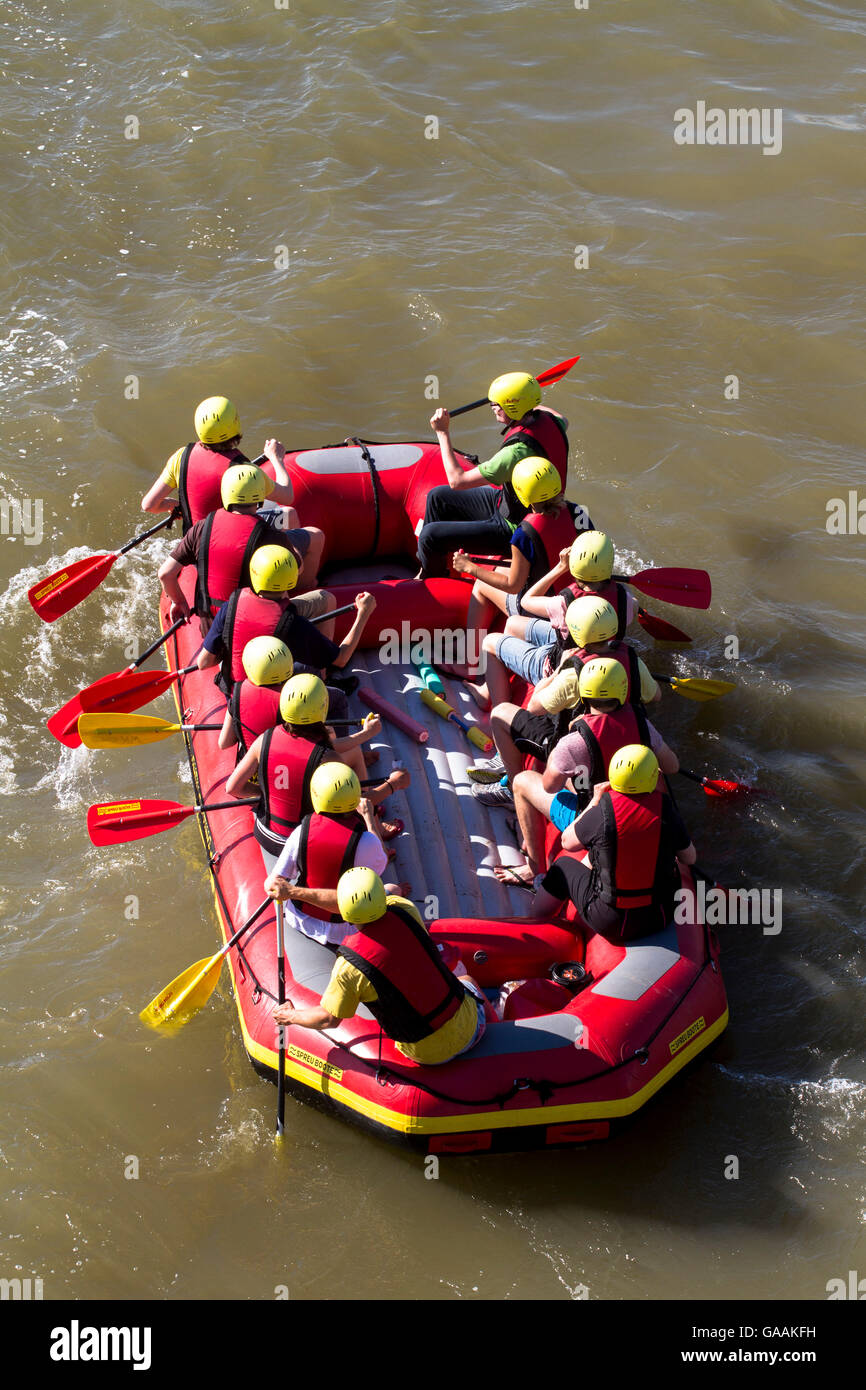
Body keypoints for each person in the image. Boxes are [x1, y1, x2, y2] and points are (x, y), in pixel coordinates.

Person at [272, 869, 489, 1066]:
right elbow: (380, 897)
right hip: (471, 1028)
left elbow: (328, 1019)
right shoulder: (406, 910)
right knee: (466, 979)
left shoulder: (348, 966)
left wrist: (290, 1016)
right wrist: (292, 892)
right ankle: (495, 1020)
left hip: (426, 1053)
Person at [496, 657, 680, 883]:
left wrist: (564, 748)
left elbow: (549, 786)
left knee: (522, 782)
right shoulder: (643, 725)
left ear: (583, 694)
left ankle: (533, 868)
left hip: (594, 816)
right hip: (635, 807)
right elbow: (672, 766)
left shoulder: (574, 741)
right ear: (622, 691)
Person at [470, 595, 660, 808]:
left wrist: (557, 671)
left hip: (576, 742)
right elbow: (655, 696)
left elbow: (534, 707)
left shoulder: (574, 672)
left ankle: (513, 790)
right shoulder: (634, 662)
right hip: (619, 734)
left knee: (500, 713)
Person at [142, 397, 324, 586]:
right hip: (239, 542)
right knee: (312, 533)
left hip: (197, 544)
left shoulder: (181, 456)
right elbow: (287, 495)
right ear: (235, 424)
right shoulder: (242, 469)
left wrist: (175, 505)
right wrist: (276, 458)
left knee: (288, 515)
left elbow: (149, 505)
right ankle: (299, 584)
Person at [529, 745, 696, 942]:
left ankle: (535, 926)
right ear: (652, 777)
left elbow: (567, 842)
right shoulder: (666, 809)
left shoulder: (603, 811)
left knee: (562, 867)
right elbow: (689, 857)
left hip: (610, 922)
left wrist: (595, 801)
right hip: (661, 916)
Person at [226, 675, 407, 855]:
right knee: (352, 803)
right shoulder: (328, 758)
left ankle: (374, 820)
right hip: (301, 844)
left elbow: (233, 788)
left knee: (354, 752)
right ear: (322, 707)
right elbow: (356, 805)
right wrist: (393, 785)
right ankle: (376, 828)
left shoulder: (265, 738)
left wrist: (268, 794)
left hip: (265, 833)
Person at [443, 458, 591, 678]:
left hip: (543, 610)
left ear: (523, 494)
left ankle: (470, 664)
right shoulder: (578, 512)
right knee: (503, 568)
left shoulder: (524, 533)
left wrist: (470, 567)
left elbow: (513, 586)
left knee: (482, 585)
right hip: (577, 600)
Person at [415, 371, 569, 578]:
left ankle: (431, 577)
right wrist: (527, 397)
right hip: (509, 502)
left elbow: (457, 480)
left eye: (497, 404)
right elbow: (562, 418)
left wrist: (442, 432)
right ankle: (434, 562)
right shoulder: (551, 421)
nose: (493, 408)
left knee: (429, 535)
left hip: (517, 526)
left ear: (514, 408)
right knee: (437, 497)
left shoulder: (514, 453)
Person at [194, 543, 374, 694]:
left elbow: (203, 663)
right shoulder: (293, 624)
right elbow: (341, 659)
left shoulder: (231, 604)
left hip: (236, 690)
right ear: (292, 577)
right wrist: (363, 614)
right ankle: (324, 681)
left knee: (323, 599)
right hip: (272, 691)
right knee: (312, 667)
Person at [158, 463, 312, 631]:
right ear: (260, 496)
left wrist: (179, 601)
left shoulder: (201, 527)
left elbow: (165, 574)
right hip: (249, 622)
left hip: (210, 623)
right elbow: (298, 569)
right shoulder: (270, 535)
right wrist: (288, 544)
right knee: (325, 598)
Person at [264, 763, 393, 946]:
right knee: (392, 889)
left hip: (301, 919)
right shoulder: (367, 841)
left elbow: (274, 879)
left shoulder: (301, 832)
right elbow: (381, 863)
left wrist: (275, 886)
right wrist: (368, 817)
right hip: (347, 928)